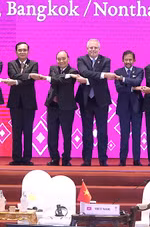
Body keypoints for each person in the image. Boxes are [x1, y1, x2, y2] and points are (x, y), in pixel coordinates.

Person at [76, 38, 120, 166]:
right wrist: (101, 75)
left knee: (102, 131)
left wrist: (87, 80)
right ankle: (87, 160)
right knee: (87, 131)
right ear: (87, 49)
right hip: (86, 100)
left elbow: (93, 76)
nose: (93, 50)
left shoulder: (106, 60)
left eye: (95, 48)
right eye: (91, 47)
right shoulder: (81, 60)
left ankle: (103, 159)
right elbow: (84, 72)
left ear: (99, 49)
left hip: (101, 100)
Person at [43, 50, 85, 166]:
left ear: (68, 59)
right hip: (52, 106)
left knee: (66, 134)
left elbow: (58, 80)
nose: (61, 61)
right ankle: (54, 158)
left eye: (63, 58)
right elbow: (54, 79)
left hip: (67, 107)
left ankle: (66, 159)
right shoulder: (53, 68)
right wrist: (62, 77)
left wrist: (65, 76)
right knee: (52, 134)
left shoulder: (73, 71)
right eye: (59, 59)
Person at [4, 42, 40, 166]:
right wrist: (28, 75)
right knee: (16, 131)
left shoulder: (34, 64)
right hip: (15, 102)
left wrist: (17, 82)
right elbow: (13, 75)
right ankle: (16, 158)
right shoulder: (11, 64)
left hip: (29, 103)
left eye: (24, 50)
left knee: (28, 131)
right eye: (20, 50)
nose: (22, 52)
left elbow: (31, 81)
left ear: (28, 51)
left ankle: (27, 158)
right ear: (16, 52)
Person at [114, 50, 144, 166]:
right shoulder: (117, 72)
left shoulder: (139, 71)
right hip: (123, 107)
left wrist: (123, 79)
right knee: (124, 134)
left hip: (137, 106)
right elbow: (119, 89)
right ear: (122, 60)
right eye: (126, 59)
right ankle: (122, 160)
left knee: (137, 134)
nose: (128, 62)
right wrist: (133, 88)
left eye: (130, 59)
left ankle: (136, 160)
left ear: (134, 60)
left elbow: (137, 81)